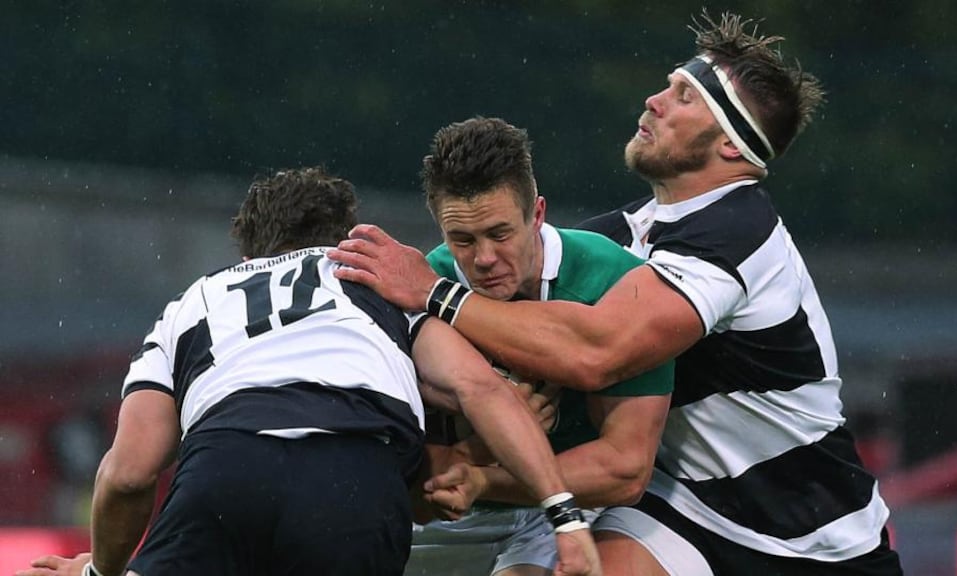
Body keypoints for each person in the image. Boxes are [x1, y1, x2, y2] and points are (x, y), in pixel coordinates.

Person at [329, 12, 905, 576]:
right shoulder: (626, 233)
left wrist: (434, 293)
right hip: (683, 511)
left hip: (818, 534)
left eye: (684, 96)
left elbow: (597, 352)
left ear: (732, 148)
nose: (656, 99)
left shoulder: (737, 233)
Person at [17, 167, 599, 576]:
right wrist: (564, 517)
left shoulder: (193, 302)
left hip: (226, 473)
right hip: (353, 484)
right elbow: (479, 390)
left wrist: (102, 571)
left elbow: (128, 475)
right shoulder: (374, 283)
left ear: (247, 255)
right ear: (343, 240)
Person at [403, 117, 674, 576]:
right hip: (460, 517)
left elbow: (626, 471)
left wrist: (484, 473)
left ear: (538, 214)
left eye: (500, 233)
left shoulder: (616, 282)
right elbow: (423, 492)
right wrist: (488, 439)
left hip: (581, 510)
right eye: (462, 240)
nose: (484, 259)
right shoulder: (420, 294)